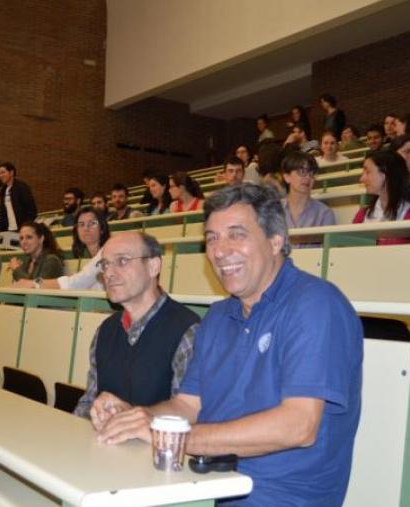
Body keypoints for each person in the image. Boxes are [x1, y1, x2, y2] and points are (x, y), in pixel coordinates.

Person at [93, 183, 363, 507]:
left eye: (236, 234)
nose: (219, 251)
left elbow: (299, 425)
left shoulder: (316, 305)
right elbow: (188, 406)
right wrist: (140, 417)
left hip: (274, 498)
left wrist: (178, 439)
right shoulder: (218, 316)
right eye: (212, 238)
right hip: (205, 484)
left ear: (276, 240)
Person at [73, 232, 199, 418]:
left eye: (122, 261)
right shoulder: (105, 330)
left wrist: (132, 418)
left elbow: (187, 416)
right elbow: (89, 401)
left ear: (153, 266)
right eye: (105, 264)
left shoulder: (187, 331)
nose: (109, 273)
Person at [13, 206, 111, 291]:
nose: (86, 228)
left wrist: (33, 283)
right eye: (81, 224)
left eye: (92, 223)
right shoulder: (93, 260)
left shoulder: (106, 254)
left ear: (102, 228)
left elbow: (74, 283)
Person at [355, 151, 410, 245]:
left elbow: (403, 251)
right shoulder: (363, 214)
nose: (362, 179)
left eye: (367, 172)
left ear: (386, 174)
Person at [281, 151, 336, 228]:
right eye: (302, 172)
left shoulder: (324, 213)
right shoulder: (273, 211)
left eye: (312, 173)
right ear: (287, 177)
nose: (308, 177)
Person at [0, 162, 38, 232]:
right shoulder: (3, 191)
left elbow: (32, 211)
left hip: (22, 230)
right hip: (8, 230)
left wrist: (25, 227)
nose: (0, 175)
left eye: (3, 172)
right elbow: (3, 214)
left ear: (11, 172)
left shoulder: (22, 187)